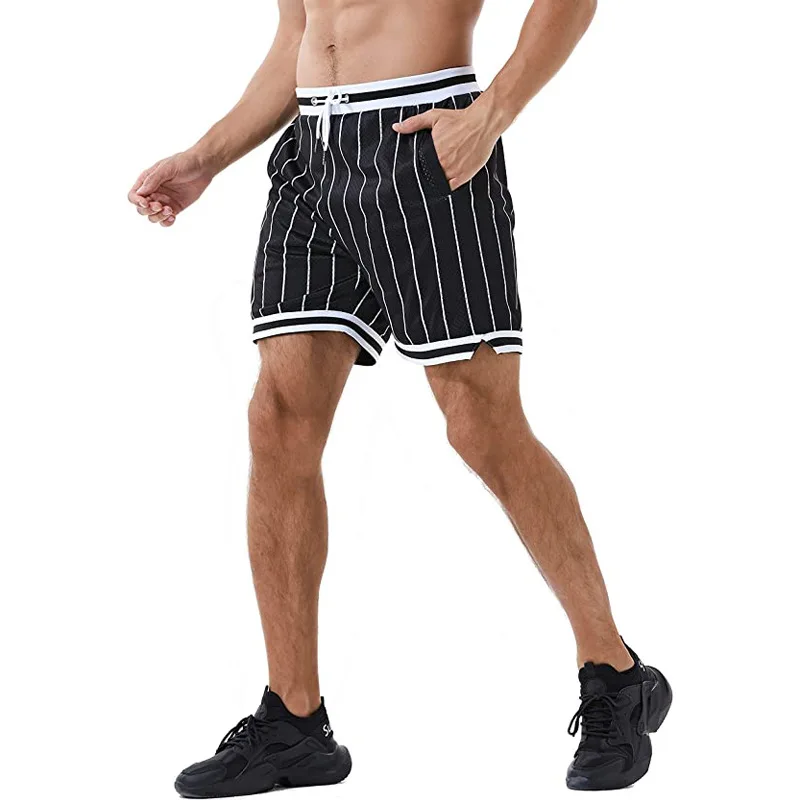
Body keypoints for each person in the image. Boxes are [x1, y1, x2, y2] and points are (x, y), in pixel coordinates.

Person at [128, 0, 671, 793]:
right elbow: (299, 37)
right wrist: (205, 157)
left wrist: (490, 114)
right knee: (277, 420)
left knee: (481, 427)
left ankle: (615, 673)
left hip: (424, 146)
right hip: (312, 157)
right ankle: (293, 722)